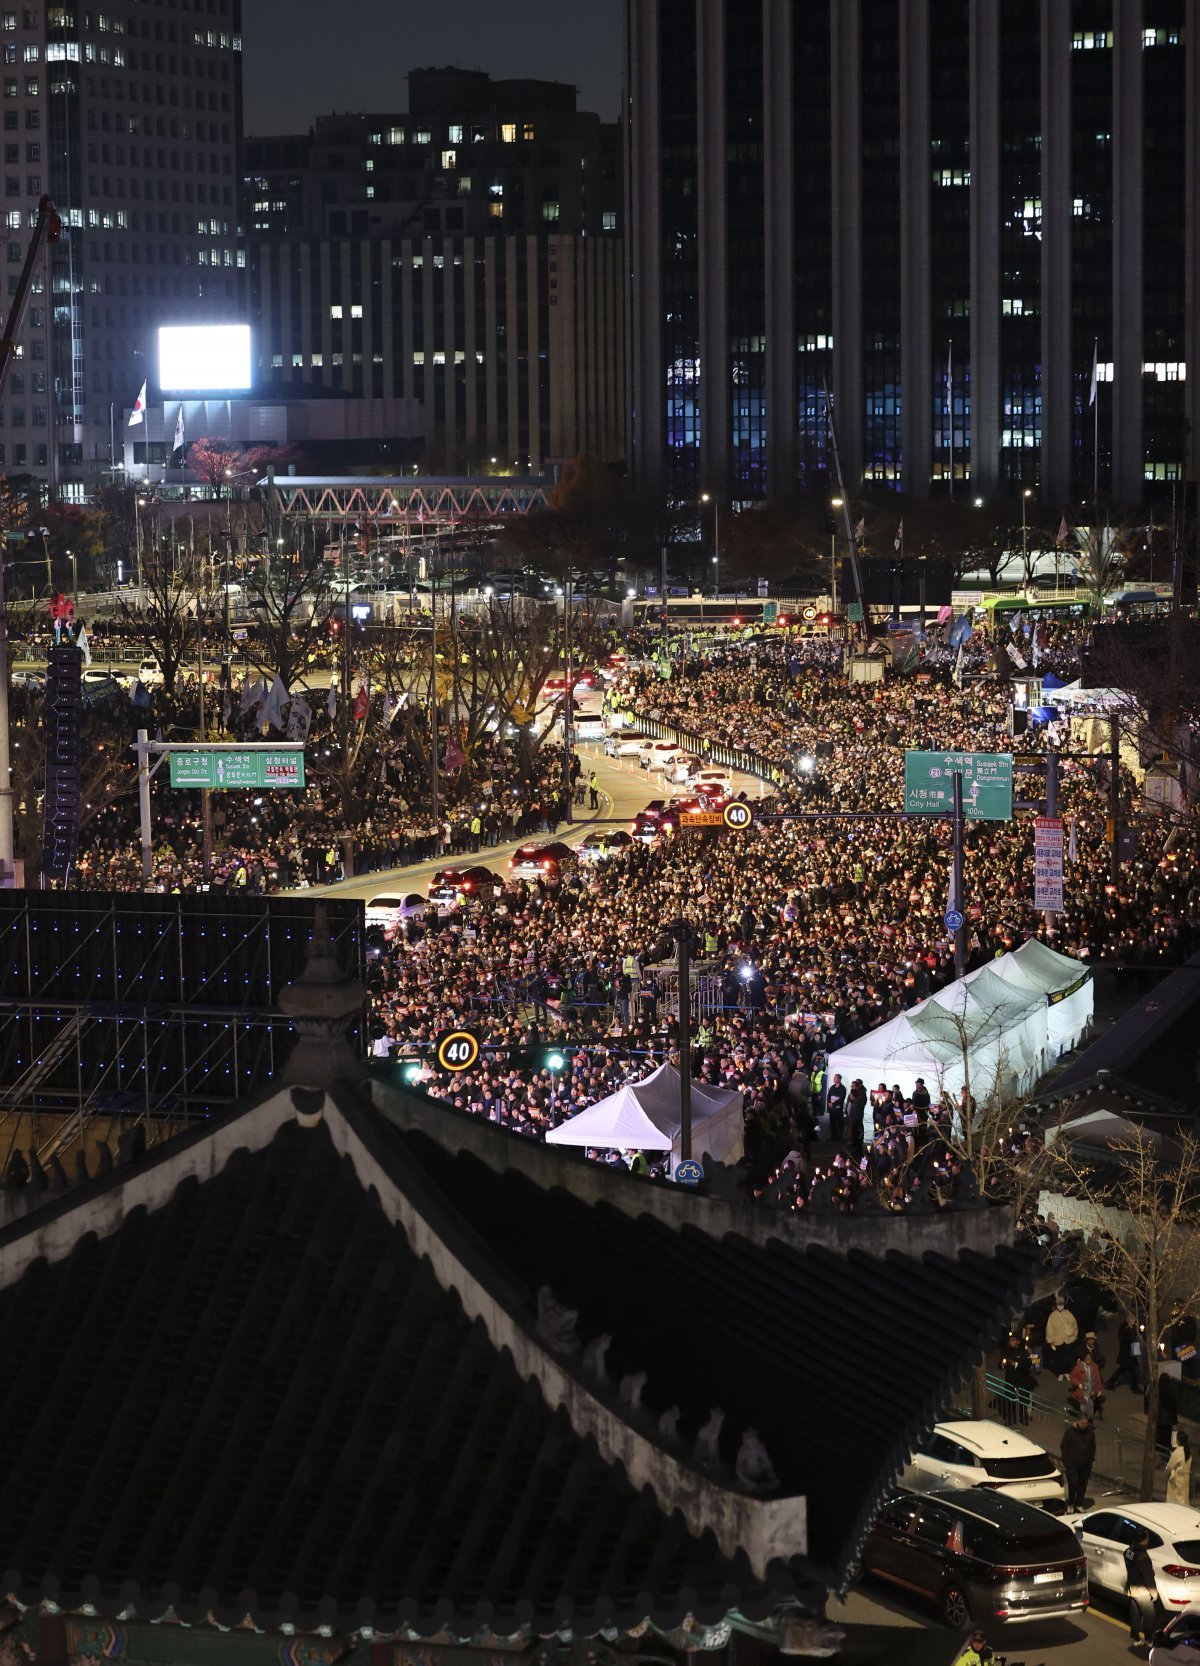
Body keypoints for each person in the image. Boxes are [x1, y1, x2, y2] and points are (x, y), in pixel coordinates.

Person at [1125, 1527, 1164, 1647]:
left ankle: (1136, 1639)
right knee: (1149, 1616)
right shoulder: (1143, 1557)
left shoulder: (1129, 1551)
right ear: (1144, 1540)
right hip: (1142, 1591)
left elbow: (1130, 1565)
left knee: (1135, 1616)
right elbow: (1148, 1577)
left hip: (1131, 1589)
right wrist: (1154, 1593)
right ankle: (1149, 1640)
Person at [1060, 1414, 1095, 1510]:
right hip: (1072, 1464)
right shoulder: (1070, 1432)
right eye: (1083, 1423)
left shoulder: (1090, 1432)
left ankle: (1079, 1504)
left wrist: (1091, 1458)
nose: (1084, 1425)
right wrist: (1066, 1461)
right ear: (1078, 1422)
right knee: (1073, 1484)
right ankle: (1071, 1503)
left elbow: (1092, 1446)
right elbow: (1064, 1446)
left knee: (1082, 1485)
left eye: (1086, 1423)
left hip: (1086, 1464)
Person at [1044, 1292, 1079, 1378]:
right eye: (1058, 1305)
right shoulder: (1052, 1316)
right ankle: (1061, 1373)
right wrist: (1051, 1340)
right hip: (1057, 1340)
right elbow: (1049, 1329)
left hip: (1067, 1339)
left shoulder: (1068, 1314)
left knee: (1067, 1356)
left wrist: (1072, 1334)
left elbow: (1074, 1325)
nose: (1060, 1306)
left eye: (1061, 1304)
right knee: (1059, 1358)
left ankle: (1068, 1372)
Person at [1168, 1433, 1193, 1505]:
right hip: (1185, 1479)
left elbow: (1169, 1467)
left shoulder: (1177, 1452)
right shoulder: (1188, 1452)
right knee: (1183, 1500)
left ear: (1178, 1441)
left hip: (1176, 1480)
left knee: (1175, 1502)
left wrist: (1167, 1474)